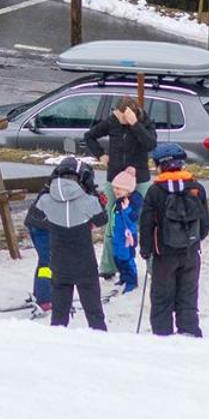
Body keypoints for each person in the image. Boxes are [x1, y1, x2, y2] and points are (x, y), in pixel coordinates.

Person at [23, 156, 108, 330]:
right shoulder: (88, 201)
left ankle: (58, 349)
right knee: (94, 314)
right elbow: (102, 219)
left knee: (59, 317)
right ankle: (102, 344)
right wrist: (94, 196)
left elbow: (37, 217)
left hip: (59, 264)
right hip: (84, 264)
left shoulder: (45, 199)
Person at [82, 97, 157, 282]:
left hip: (139, 179)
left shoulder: (145, 123)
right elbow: (89, 136)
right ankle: (108, 266)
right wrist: (101, 155)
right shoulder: (113, 121)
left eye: (121, 117)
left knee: (146, 221)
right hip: (114, 178)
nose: (117, 120)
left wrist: (135, 125)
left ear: (131, 114)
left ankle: (153, 267)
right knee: (112, 222)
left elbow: (151, 144)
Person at [140, 142, 209, 337]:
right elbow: (205, 224)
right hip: (190, 253)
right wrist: (193, 241)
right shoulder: (197, 188)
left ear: (160, 165)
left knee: (162, 298)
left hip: (163, 255)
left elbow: (146, 223)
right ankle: (189, 333)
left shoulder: (155, 192)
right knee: (188, 296)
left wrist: (146, 250)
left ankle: (163, 336)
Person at [108, 167, 143, 294]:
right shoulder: (118, 201)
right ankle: (123, 276)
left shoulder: (132, 202)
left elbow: (133, 219)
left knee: (127, 258)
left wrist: (127, 209)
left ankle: (131, 281)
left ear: (128, 190)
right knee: (117, 257)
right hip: (117, 235)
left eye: (118, 188)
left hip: (127, 237)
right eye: (114, 188)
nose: (115, 191)